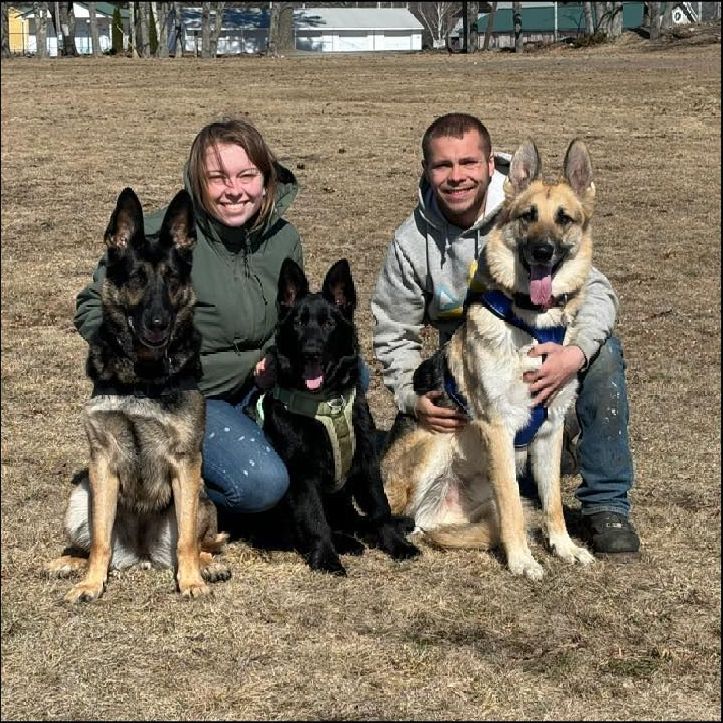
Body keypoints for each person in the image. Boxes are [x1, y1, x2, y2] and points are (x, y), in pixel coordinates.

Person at [371, 112, 640, 556]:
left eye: (468, 163)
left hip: (547, 349)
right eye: (443, 166)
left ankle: (606, 504)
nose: (457, 176)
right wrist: (410, 397)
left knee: (603, 352)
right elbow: (392, 331)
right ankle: (515, 477)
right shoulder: (411, 242)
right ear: (427, 171)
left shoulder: (528, 202)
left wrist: (575, 355)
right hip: (471, 365)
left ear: (491, 165)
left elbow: (599, 293)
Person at [74, 118, 302, 520]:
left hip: (262, 382)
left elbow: (291, 315)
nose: (234, 189)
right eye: (218, 178)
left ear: (266, 179)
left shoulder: (284, 238)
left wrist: (274, 356)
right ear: (198, 183)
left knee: (354, 379)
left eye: (247, 175)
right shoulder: (164, 237)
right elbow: (93, 304)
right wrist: (132, 354)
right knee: (262, 483)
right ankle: (187, 503)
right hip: (193, 394)